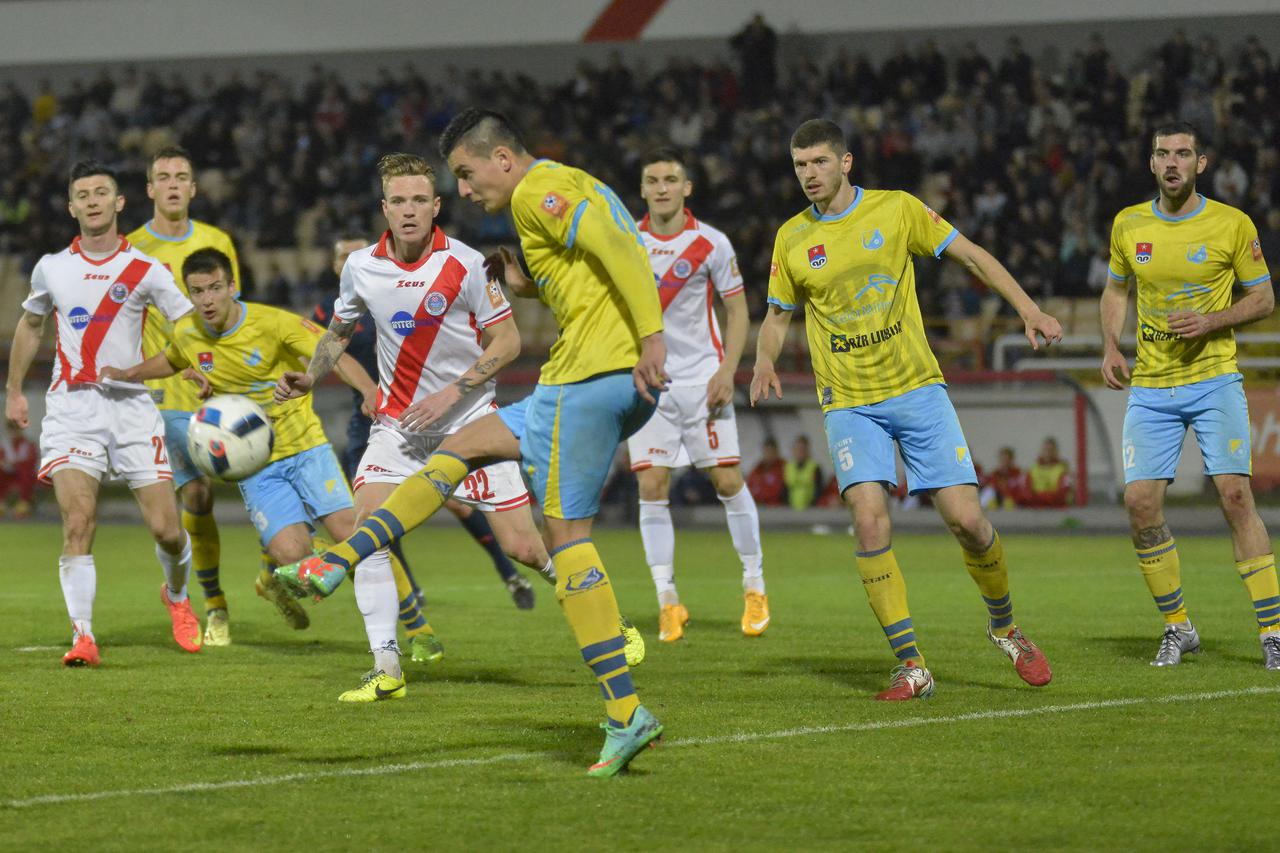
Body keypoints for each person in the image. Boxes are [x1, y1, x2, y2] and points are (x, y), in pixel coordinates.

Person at [277, 112, 664, 776]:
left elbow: (623, 253)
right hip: (559, 385)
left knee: (560, 542)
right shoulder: (567, 188)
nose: (462, 190)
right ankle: (342, 566)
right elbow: (589, 269)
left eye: (461, 175)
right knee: (460, 451)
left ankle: (627, 713)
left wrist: (653, 336)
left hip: (591, 375)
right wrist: (529, 279)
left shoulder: (538, 195)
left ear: (503, 159)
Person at [751, 119, 1060, 700]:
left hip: (917, 389)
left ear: (846, 162)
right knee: (869, 521)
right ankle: (912, 665)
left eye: (819, 162)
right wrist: (765, 361)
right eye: (799, 166)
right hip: (847, 401)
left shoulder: (896, 210)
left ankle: (1006, 628)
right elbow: (776, 315)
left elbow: (969, 255)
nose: (808, 175)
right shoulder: (791, 237)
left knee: (968, 523)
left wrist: (1028, 309)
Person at [101, 248, 444, 666]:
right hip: (255, 465)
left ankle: (418, 629)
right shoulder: (188, 331)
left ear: (232, 287)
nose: (207, 299)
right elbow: (172, 359)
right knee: (293, 558)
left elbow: (330, 347)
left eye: (214, 288)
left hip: (305, 447)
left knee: (358, 536)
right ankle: (274, 576)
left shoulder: (272, 322)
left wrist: (369, 391)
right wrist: (126, 374)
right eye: (197, 291)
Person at [4, 160, 199, 666]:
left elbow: (189, 328)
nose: (92, 201)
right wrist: (15, 391)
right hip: (72, 407)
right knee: (78, 520)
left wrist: (188, 367)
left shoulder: (147, 271)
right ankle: (83, 637)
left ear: (119, 204)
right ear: (72, 207)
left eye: (101, 193)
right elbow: (30, 325)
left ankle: (177, 597)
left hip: (132, 409)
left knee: (166, 530)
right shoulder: (52, 267)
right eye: (82, 195)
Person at [1100, 121, 1279, 670]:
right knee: (1139, 504)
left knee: (1234, 497)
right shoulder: (1129, 223)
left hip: (1213, 380)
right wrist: (1110, 344)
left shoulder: (1231, 224)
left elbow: (1264, 299)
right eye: (1162, 153)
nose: (1172, 162)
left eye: (1183, 153)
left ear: (1201, 163)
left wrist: (1211, 320)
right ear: (1151, 163)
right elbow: (1115, 288)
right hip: (1152, 386)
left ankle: (1273, 632)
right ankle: (1178, 628)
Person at [314, 235, 536, 610]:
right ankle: (405, 609)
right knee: (373, 517)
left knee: (476, 516)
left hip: (451, 416)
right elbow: (330, 345)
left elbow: (501, 339)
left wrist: (453, 392)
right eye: (343, 255)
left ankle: (512, 572)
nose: (351, 259)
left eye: (357, 251)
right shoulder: (339, 304)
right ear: (337, 265)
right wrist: (359, 386)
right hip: (380, 420)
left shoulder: (425, 280)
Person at [625, 148, 767, 642]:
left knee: (728, 481)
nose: (661, 187)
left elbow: (738, 311)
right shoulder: (627, 242)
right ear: (642, 189)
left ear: (687, 188)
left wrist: (729, 369)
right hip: (649, 386)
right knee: (651, 489)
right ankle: (667, 600)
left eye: (670, 179)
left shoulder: (712, 243)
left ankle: (754, 586)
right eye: (652, 179)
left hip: (704, 380)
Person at [125, 146, 243, 646]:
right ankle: (207, 603)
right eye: (163, 177)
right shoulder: (130, 249)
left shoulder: (217, 242)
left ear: (193, 188)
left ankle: (225, 593)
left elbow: (232, 313)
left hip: (212, 392)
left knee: (216, 494)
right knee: (193, 496)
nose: (173, 185)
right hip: (159, 396)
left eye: (182, 177)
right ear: (150, 189)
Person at [0, 423, 37, 518]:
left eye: (16, 430)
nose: (14, 432)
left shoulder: (29, 444)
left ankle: (23, 503)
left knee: (25, 473)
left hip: (23, 476)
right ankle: (1, 503)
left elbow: (31, 462)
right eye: (12, 430)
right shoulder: (4, 445)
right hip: (8, 476)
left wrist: (14, 464)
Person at [1024, 437, 1072, 507]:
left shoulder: (1063, 470)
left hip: (1056, 509)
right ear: (1042, 451)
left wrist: (1040, 497)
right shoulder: (1033, 469)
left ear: (1056, 452)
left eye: (1051, 450)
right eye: (1045, 450)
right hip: (1035, 508)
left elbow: (1063, 494)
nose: (1048, 453)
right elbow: (1027, 491)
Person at [783, 435, 823, 510]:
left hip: (810, 509)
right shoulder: (788, 467)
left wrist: (814, 506)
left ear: (807, 450)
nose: (800, 452)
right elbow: (784, 489)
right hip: (791, 509)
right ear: (793, 450)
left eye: (802, 449)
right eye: (797, 449)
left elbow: (819, 490)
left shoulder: (814, 467)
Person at [746, 436, 786, 505]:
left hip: (776, 508)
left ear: (776, 452)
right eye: (767, 451)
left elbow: (778, 491)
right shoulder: (757, 469)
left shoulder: (783, 468)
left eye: (771, 452)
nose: (769, 455)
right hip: (758, 507)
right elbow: (749, 487)